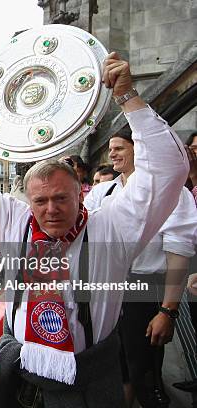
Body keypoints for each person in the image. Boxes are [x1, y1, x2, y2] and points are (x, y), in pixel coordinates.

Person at [0, 53, 188, 407]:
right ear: (28, 201)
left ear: (82, 194)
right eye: (41, 201)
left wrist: (128, 98)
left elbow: (169, 169)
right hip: (18, 378)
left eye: (61, 197)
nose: (51, 209)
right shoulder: (14, 221)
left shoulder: (112, 227)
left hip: (89, 384)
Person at [84, 127, 197, 407]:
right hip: (107, 287)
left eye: (120, 147)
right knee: (112, 362)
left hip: (145, 290)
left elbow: (178, 253)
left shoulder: (171, 193)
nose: (112, 153)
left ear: (141, 150)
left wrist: (168, 311)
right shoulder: (102, 191)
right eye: (111, 148)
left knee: (142, 366)